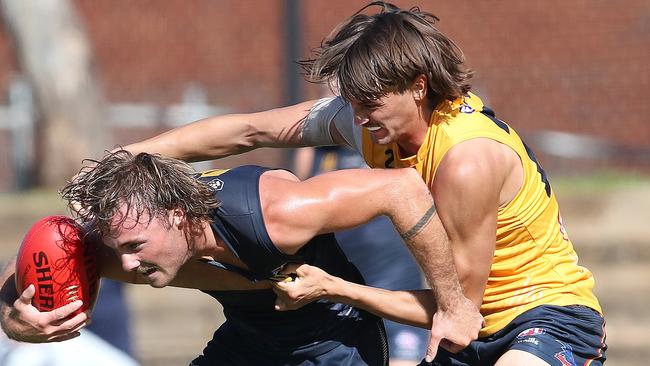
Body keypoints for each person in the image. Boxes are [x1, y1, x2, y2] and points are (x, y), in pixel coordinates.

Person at [115, 2, 608, 364]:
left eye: (369, 102)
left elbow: (459, 311)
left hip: (543, 317)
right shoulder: (369, 118)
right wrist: (131, 155)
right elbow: (250, 130)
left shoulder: (466, 160)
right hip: (468, 327)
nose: (356, 118)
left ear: (418, 85)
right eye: (351, 101)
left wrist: (335, 288)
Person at [1, 150, 453, 365]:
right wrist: (13, 321)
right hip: (248, 342)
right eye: (118, 250)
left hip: (333, 345)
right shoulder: (125, 245)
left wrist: (454, 302)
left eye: (137, 247)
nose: (126, 265)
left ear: (178, 217)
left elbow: (402, 188)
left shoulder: (277, 214)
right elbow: (47, 244)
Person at [294, 145, 430, 365]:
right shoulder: (318, 149)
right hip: (333, 278)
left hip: (392, 274)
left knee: (402, 355)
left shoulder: (388, 143)